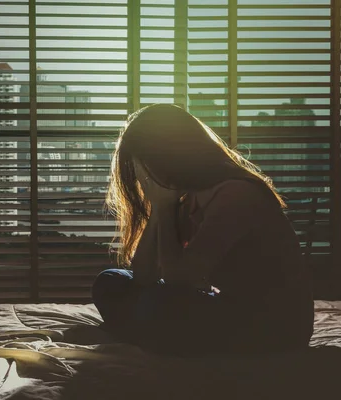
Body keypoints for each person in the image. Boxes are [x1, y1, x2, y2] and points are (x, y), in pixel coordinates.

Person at [93, 103, 314, 356]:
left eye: (145, 165)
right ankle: (145, 332)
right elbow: (144, 276)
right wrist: (158, 208)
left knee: (158, 303)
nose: (143, 178)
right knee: (111, 282)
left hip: (273, 328)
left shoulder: (235, 193)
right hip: (230, 310)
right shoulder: (185, 198)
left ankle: (142, 332)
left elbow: (179, 281)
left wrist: (164, 208)